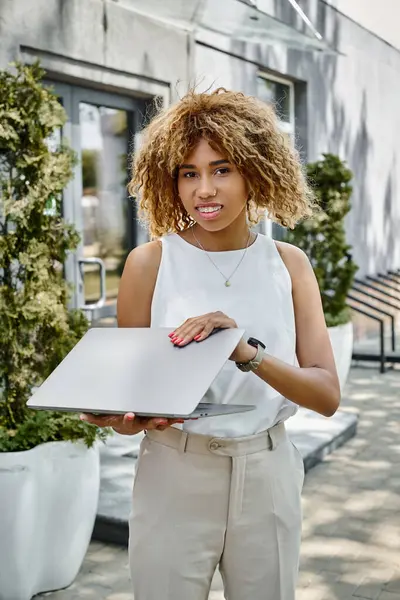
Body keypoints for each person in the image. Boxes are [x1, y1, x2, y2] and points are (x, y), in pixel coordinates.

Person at [81, 88, 340, 600]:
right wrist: (118, 415)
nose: (204, 190)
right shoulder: (148, 263)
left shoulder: (289, 265)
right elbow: (136, 404)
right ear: (169, 180)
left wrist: (247, 351)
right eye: (188, 173)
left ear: (254, 171)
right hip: (173, 472)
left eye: (222, 169)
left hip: (267, 472)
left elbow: (327, 396)